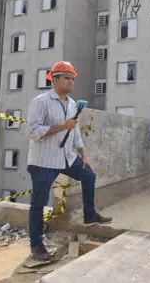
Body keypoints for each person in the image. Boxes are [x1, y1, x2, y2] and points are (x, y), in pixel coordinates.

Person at [26, 61, 112, 261]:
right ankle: (36, 244)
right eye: (66, 78)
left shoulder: (72, 104)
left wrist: (83, 155)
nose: (71, 81)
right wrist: (61, 126)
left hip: (67, 157)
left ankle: (90, 215)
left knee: (89, 175)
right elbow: (32, 131)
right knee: (38, 202)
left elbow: (74, 133)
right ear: (54, 80)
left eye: (72, 78)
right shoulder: (41, 101)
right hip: (43, 161)